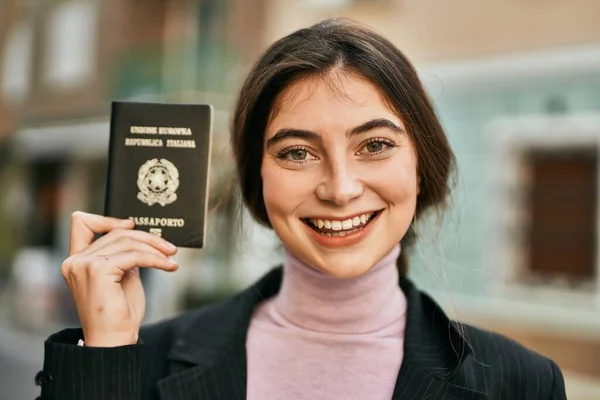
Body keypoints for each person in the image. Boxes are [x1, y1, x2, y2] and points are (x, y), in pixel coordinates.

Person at [35, 19, 566, 400]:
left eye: (375, 145)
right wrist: (103, 355)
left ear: (421, 164)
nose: (339, 189)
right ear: (258, 180)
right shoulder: (134, 357)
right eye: (296, 152)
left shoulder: (523, 383)